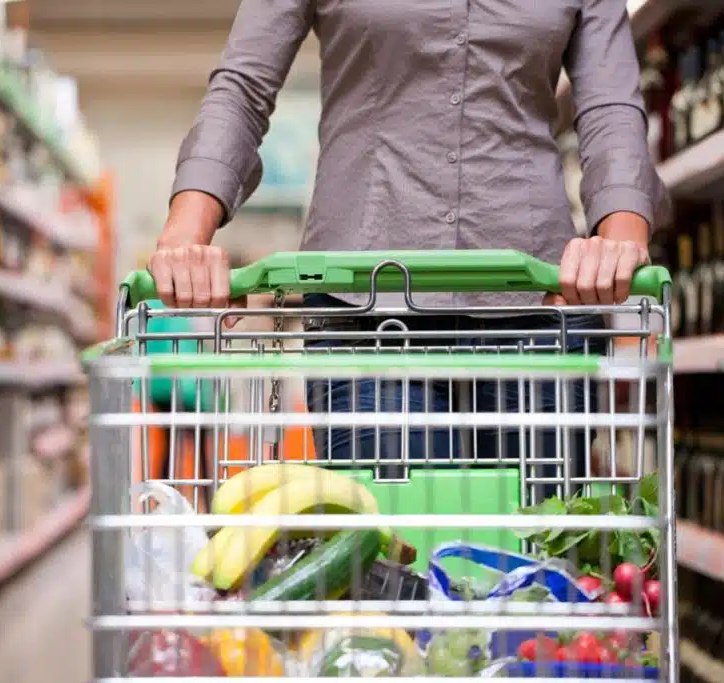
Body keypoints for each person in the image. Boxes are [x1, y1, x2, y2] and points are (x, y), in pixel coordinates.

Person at [148, 1, 671, 493]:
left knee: (535, 558)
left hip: (537, 309)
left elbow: (610, 108)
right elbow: (243, 88)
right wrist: (184, 240)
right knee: (392, 565)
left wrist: (620, 243)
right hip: (367, 310)